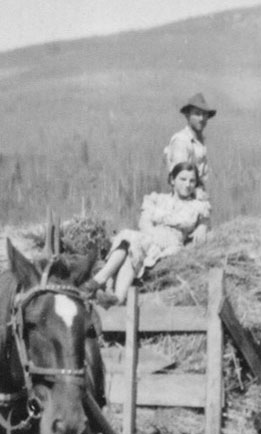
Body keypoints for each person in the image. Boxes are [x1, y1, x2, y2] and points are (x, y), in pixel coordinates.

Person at [90, 162, 210, 304]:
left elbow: (204, 223)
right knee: (130, 243)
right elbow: (144, 223)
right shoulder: (157, 199)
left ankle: (101, 283)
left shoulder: (197, 206)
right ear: (172, 180)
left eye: (192, 181)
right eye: (183, 179)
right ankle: (112, 291)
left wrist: (202, 226)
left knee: (135, 245)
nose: (188, 184)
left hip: (172, 245)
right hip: (149, 237)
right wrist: (152, 238)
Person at [164, 93, 216, 199]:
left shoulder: (200, 142)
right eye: (197, 114)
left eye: (204, 114)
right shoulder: (182, 141)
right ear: (188, 116)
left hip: (196, 197)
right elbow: (181, 178)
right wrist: (197, 193)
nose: (201, 118)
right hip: (184, 200)